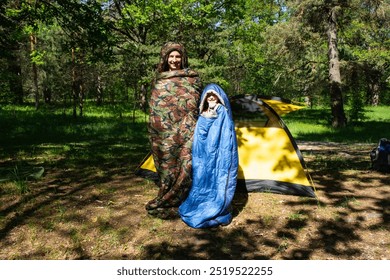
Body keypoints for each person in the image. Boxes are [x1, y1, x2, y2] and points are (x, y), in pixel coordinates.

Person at [146, 42, 202, 219]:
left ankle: (184, 193)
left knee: (188, 161)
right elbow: (154, 108)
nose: (174, 60)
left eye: (178, 56)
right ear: (165, 58)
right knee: (167, 162)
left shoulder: (193, 78)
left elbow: (199, 103)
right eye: (171, 56)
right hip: (164, 132)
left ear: (183, 58)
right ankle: (168, 189)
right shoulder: (159, 79)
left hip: (187, 129)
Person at [178, 83, 239, 228]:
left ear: (220, 98)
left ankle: (217, 204)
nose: (211, 98)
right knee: (202, 178)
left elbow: (226, 134)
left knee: (219, 178)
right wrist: (207, 117)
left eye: (214, 96)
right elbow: (200, 136)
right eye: (209, 96)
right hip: (204, 155)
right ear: (205, 99)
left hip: (219, 154)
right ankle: (201, 203)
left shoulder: (223, 112)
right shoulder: (203, 114)